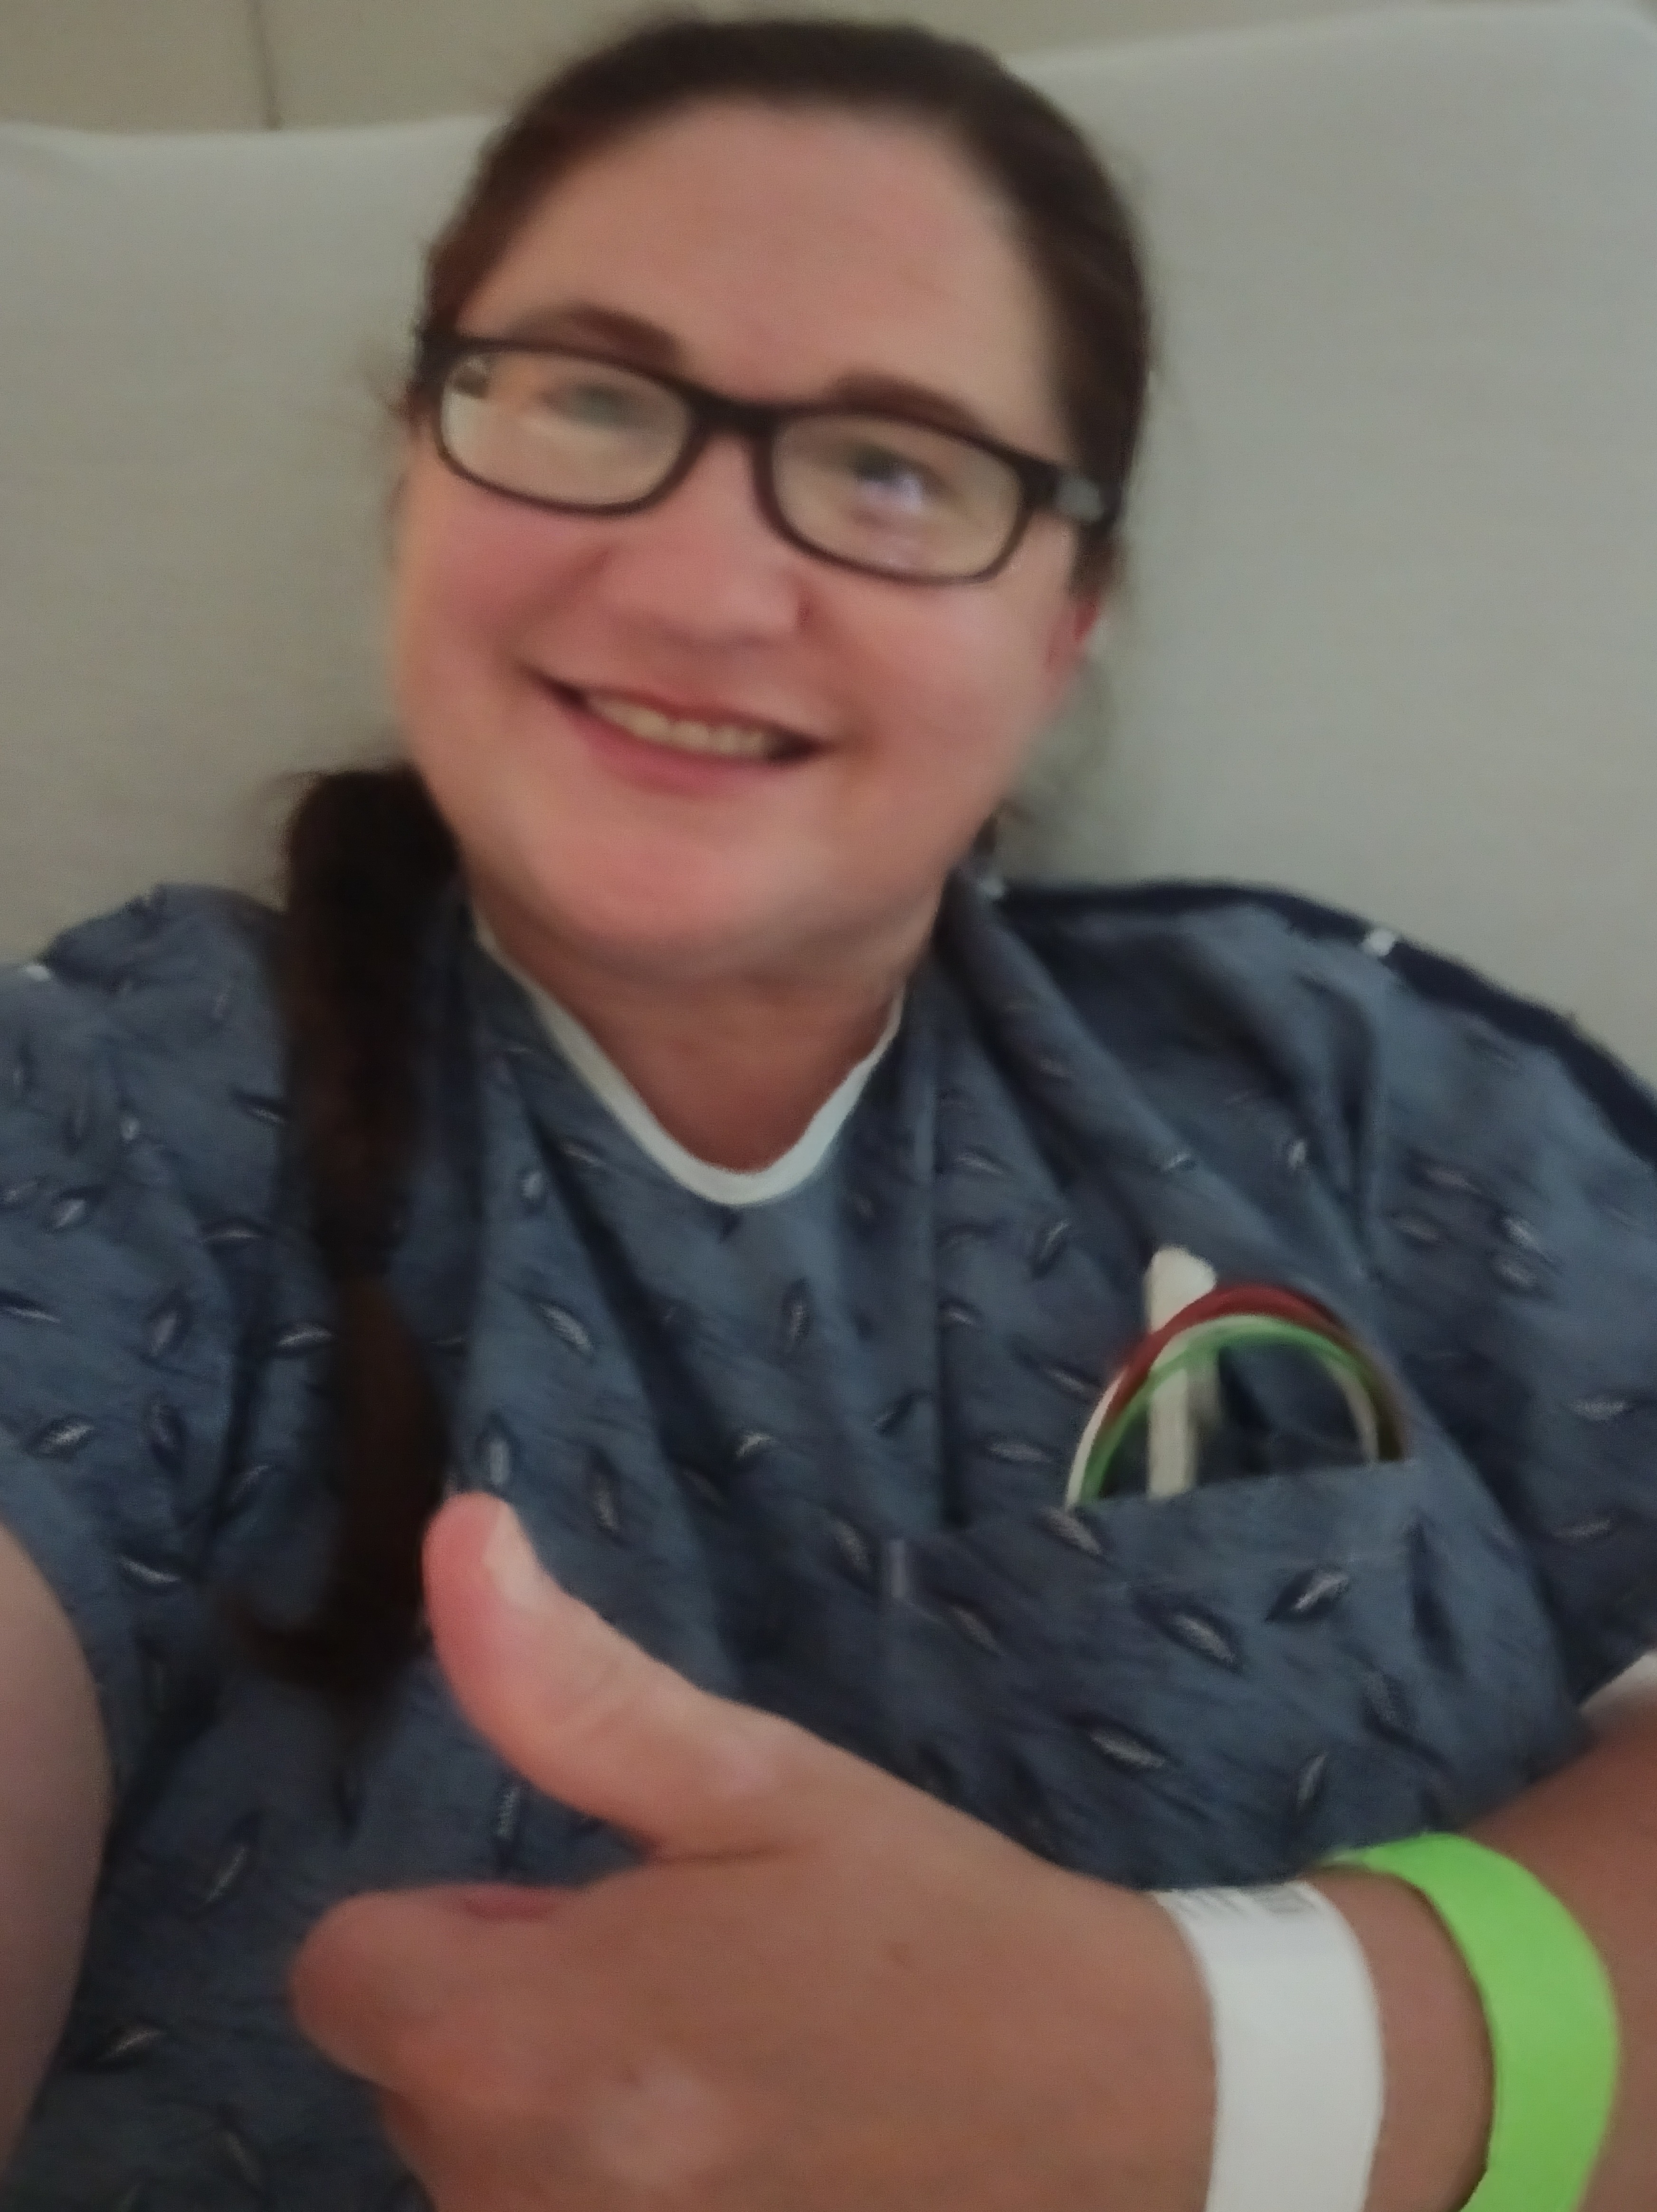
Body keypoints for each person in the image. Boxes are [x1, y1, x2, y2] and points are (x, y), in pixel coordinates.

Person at [1, 14, 1654, 2210]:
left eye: (894, 468)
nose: (696, 588)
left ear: (1063, 619)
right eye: (589, 400)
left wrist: (1221, 2073)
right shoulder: (115, 1107)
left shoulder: (1340, 1094)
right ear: (416, 468)